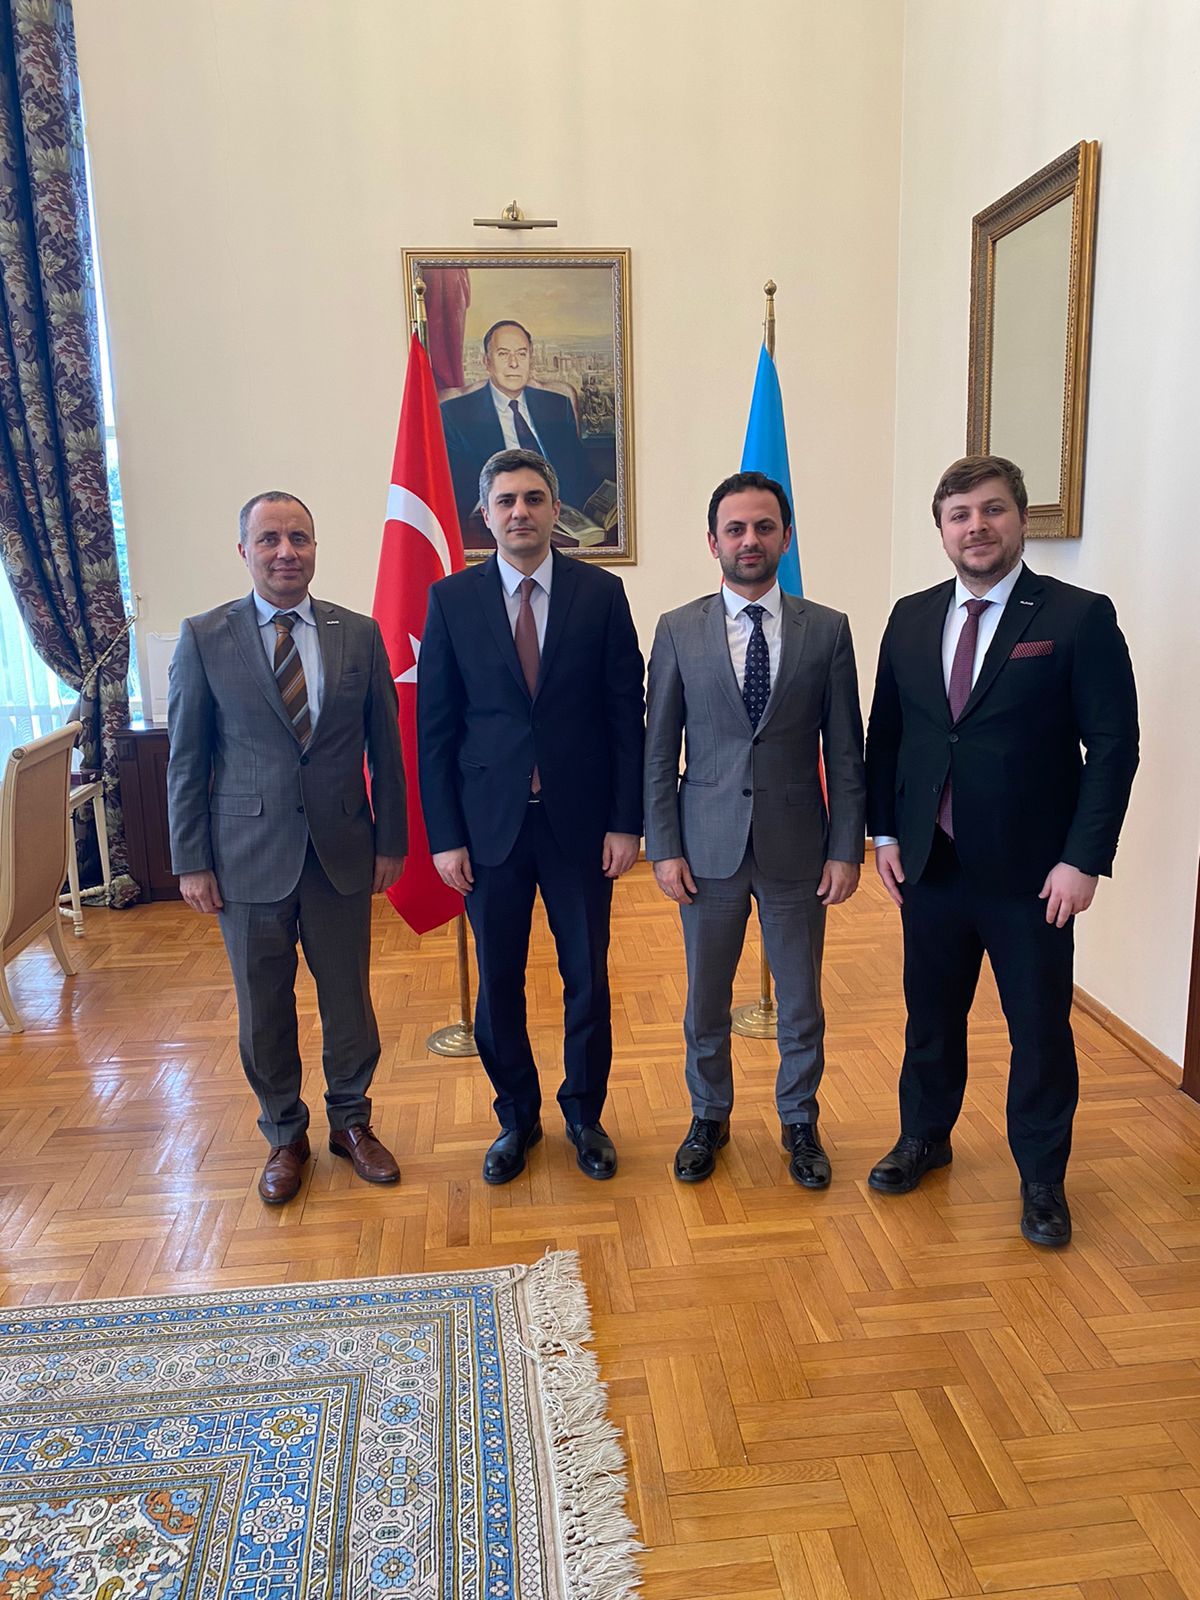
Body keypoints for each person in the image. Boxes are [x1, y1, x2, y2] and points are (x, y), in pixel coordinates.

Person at [865, 454, 1139, 1246]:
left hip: (1033, 876)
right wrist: (884, 832)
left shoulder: (1076, 617)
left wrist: (1083, 859)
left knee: (1040, 1033)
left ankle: (1043, 1180)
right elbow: (890, 735)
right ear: (941, 530)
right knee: (930, 1019)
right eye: (960, 515)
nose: (976, 527)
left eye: (992, 510)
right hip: (932, 864)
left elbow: (1113, 746)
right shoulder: (911, 617)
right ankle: (924, 1138)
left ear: (1021, 520)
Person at [167, 491, 407, 1205]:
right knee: (263, 1009)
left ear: (314, 547)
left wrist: (391, 841)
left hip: (341, 852)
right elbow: (187, 759)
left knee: (349, 1002)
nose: (285, 552)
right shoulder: (204, 636)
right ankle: (284, 1134)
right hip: (245, 858)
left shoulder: (358, 634)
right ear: (244, 550)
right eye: (269, 539)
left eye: (299, 538)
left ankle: (351, 1122)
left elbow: (386, 752)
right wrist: (191, 860)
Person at [417, 448, 644, 1184]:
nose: (521, 511)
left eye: (535, 498)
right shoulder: (451, 600)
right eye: (507, 500)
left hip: (580, 827)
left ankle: (584, 1115)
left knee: (588, 980)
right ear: (484, 515)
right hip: (490, 832)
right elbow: (436, 728)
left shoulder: (600, 594)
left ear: (554, 510)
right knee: (499, 984)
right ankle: (516, 1117)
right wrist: (445, 836)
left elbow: (626, 716)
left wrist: (626, 821)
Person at [644, 470, 865, 1186]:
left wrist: (847, 848)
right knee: (705, 999)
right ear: (712, 542)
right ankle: (708, 1115)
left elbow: (846, 751)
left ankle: (799, 1120)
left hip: (798, 846)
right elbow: (659, 749)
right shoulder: (678, 629)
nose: (749, 540)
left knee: (801, 999)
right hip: (704, 846)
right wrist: (662, 846)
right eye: (735, 529)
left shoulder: (826, 630)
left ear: (786, 537)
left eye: (764, 527)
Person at [439, 320, 603, 545]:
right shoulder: (456, 414)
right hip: (498, 530)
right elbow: (458, 491)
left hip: (561, 525)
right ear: (487, 361)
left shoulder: (557, 405)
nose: (514, 363)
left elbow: (580, 472)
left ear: (530, 360)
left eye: (521, 354)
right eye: (503, 354)